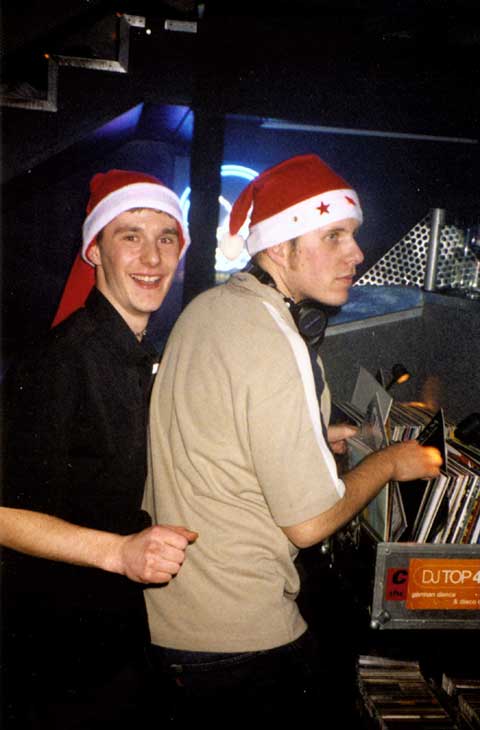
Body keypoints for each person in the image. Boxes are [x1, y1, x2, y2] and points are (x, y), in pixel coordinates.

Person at [142, 154, 442, 725]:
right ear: (280, 248)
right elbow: (309, 523)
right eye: (334, 236)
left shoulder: (211, 308)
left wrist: (312, 436)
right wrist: (387, 463)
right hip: (242, 635)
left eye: (353, 235)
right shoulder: (277, 337)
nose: (356, 253)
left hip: (178, 618)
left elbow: (220, 427)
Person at [1, 169, 196, 729]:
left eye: (166, 238)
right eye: (130, 235)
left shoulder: (137, 351)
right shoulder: (59, 362)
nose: (152, 257)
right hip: (56, 641)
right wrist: (120, 553)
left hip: (110, 626)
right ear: (94, 251)